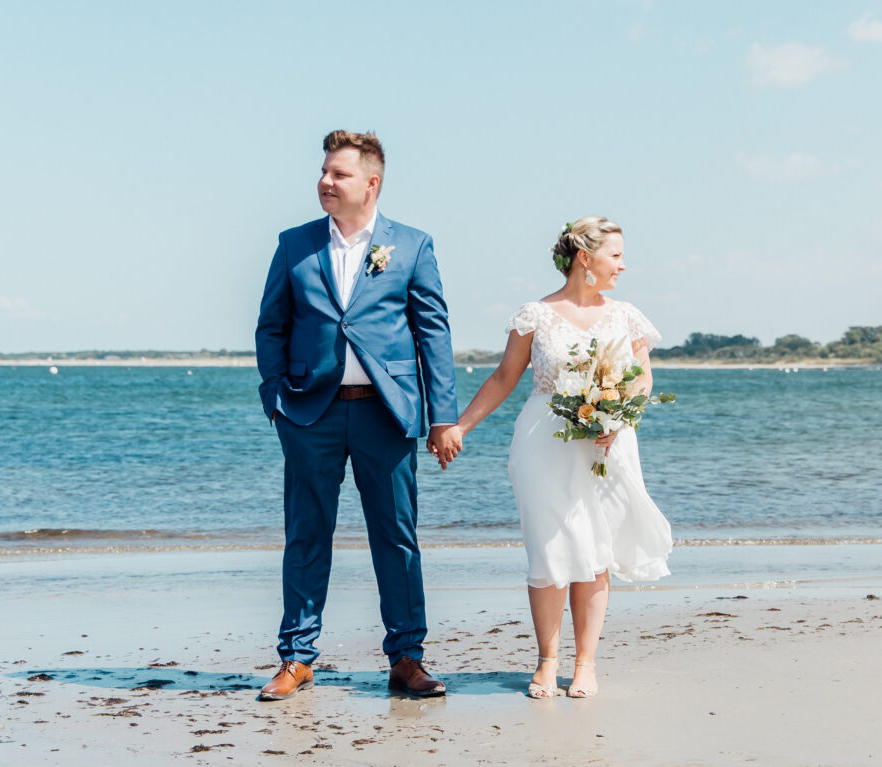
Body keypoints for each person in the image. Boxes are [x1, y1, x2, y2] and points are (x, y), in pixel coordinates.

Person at [254, 130, 462, 701]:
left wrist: (442, 416)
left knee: (396, 539)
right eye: (324, 171)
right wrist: (275, 397)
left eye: (338, 174)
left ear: (371, 183)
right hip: (309, 414)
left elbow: (433, 335)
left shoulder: (412, 246)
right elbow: (271, 325)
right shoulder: (294, 244)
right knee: (305, 536)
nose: (325, 181)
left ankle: (406, 659)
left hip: (386, 415)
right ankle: (296, 658)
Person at [437, 217, 671, 699]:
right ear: (585, 258)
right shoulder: (535, 315)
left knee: (596, 550)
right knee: (550, 548)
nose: (623, 266)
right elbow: (504, 377)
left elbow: (643, 380)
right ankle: (547, 661)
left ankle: (585, 664)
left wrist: (618, 418)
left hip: (607, 439)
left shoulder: (626, 316)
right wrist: (459, 426)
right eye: (616, 256)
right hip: (544, 439)